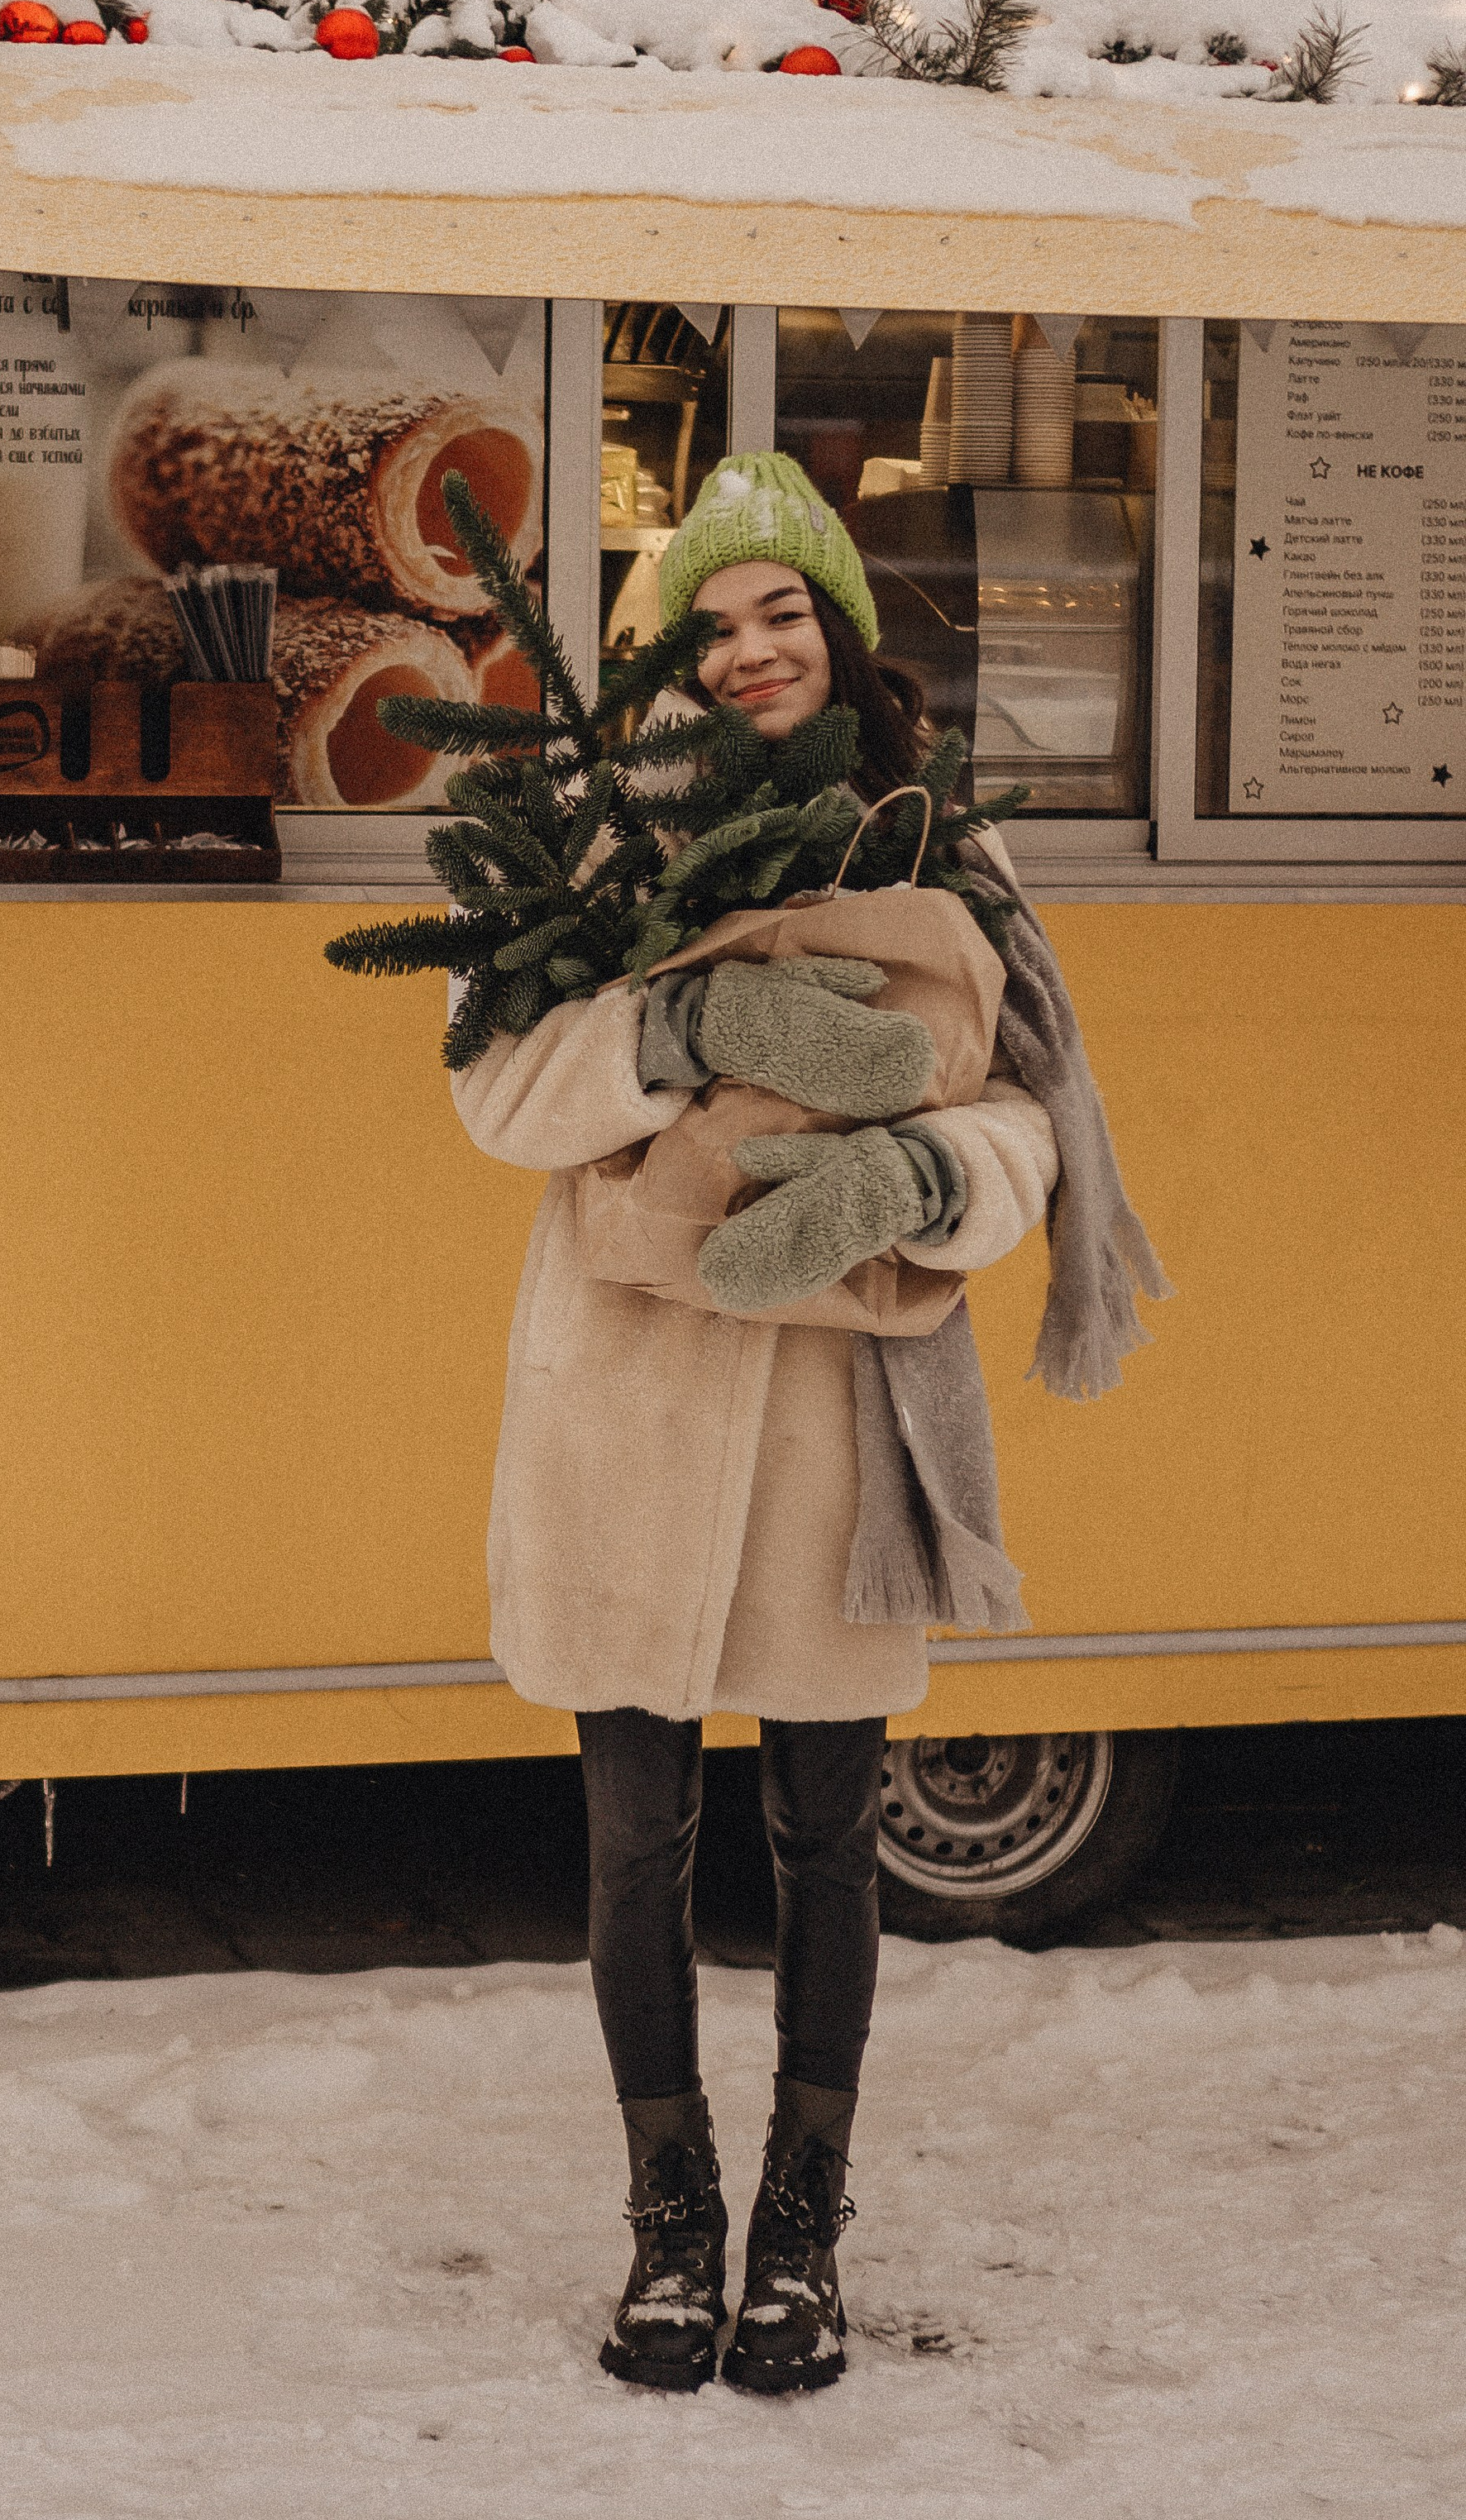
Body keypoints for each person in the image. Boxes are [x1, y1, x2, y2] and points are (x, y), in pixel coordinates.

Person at [449, 451, 1165, 2400]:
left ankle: (799, 2230)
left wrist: (911, 1180)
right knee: (629, 1840)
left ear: (839, 634)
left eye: (784, 613)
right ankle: (666, 2217)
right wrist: (674, 1032)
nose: (750, 648)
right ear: (672, 649)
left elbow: (1028, 1120)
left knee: (829, 1839)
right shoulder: (599, 844)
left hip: (839, 1415)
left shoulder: (936, 848)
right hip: (623, 1393)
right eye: (713, 619)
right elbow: (496, 1098)